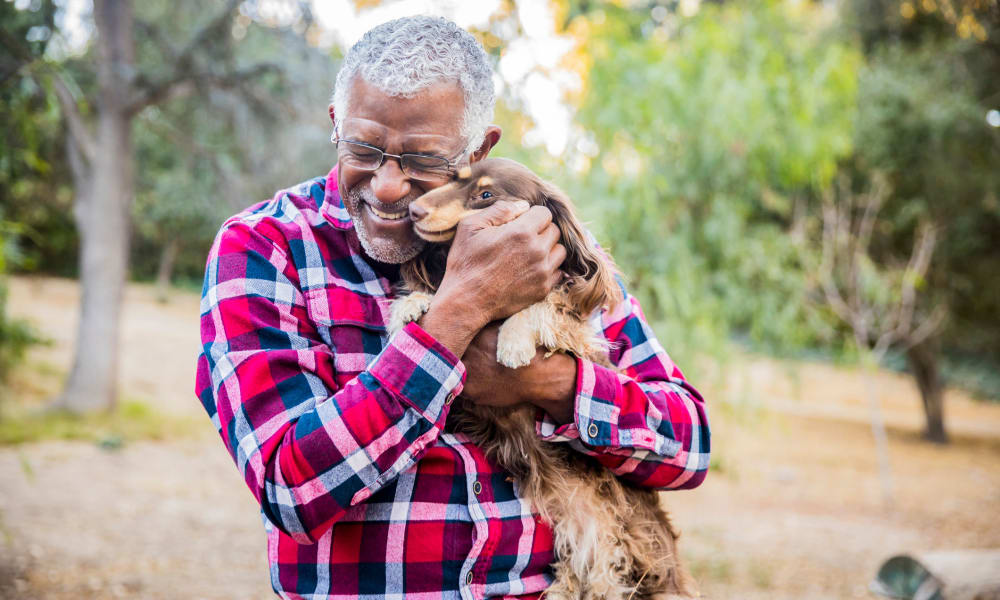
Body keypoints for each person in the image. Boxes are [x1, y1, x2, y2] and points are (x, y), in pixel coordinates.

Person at [195, 15, 710, 599]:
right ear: (336, 124)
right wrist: (460, 311)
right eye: (364, 148)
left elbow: (689, 447)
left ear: (480, 151)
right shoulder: (264, 249)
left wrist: (548, 382)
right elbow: (291, 489)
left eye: (422, 159)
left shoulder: (539, 247)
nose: (388, 186)